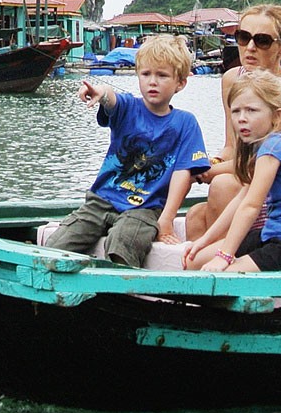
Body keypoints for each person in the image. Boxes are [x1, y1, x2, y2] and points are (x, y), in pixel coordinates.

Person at [44, 34, 211, 267]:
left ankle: (119, 288)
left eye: (162, 75)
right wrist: (101, 92)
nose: (153, 82)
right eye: (146, 74)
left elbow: (183, 174)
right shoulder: (128, 107)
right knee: (61, 241)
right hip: (102, 200)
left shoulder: (185, 123)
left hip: (145, 207)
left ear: (180, 83)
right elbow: (112, 100)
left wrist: (167, 219)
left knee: (125, 240)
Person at [183, 4, 281, 241]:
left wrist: (210, 173)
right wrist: (206, 164)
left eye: (262, 41)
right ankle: (204, 271)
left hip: (276, 185)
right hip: (244, 173)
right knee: (195, 215)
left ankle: (224, 261)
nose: (250, 48)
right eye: (243, 38)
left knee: (221, 186)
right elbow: (233, 146)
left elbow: (264, 160)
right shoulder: (233, 79)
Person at [183, 69, 281, 273]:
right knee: (194, 261)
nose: (242, 118)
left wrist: (224, 257)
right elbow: (241, 199)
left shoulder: (275, 144)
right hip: (272, 235)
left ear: (277, 116)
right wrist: (204, 241)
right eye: (236, 111)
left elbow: (251, 206)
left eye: (251, 110)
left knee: (217, 275)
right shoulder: (263, 143)